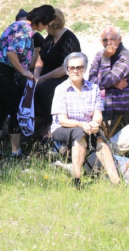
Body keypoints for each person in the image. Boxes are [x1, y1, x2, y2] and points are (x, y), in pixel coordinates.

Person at [0, 5, 56, 159]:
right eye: (46, 24)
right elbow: (12, 52)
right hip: (2, 71)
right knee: (15, 112)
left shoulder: (19, 26)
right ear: (40, 20)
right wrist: (23, 71)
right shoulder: (25, 30)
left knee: (2, 111)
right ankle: (15, 151)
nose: (45, 28)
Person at [51, 52, 120, 188]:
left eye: (79, 67)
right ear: (67, 69)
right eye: (72, 68)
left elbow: (98, 114)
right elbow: (62, 120)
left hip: (86, 126)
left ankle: (116, 181)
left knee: (99, 137)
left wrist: (95, 124)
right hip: (62, 128)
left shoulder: (93, 88)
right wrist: (82, 124)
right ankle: (77, 179)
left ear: (85, 69)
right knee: (79, 133)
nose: (76, 71)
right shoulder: (61, 89)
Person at [34, 8, 81, 136]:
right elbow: (40, 58)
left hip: (63, 77)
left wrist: (43, 78)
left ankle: (50, 124)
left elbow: (65, 68)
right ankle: (32, 120)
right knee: (26, 85)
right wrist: (36, 76)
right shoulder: (49, 38)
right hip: (45, 75)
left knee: (44, 88)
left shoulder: (68, 40)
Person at [88, 26, 129, 120]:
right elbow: (90, 81)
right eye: (105, 40)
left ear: (119, 39)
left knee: (83, 112)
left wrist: (106, 58)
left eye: (112, 39)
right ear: (100, 41)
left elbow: (106, 81)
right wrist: (113, 84)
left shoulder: (127, 57)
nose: (108, 43)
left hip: (116, 103)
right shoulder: (100, 54)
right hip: (97, 98)